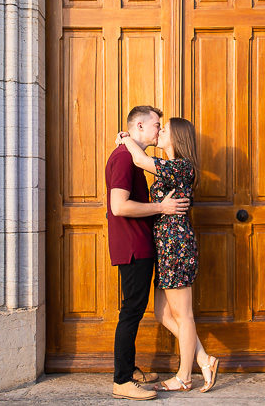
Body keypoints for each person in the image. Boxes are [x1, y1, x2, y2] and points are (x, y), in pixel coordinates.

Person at [116, 117, 219, 394]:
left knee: (184, 316)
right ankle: (203, 358)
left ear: (178, 138)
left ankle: (184, 377)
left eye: (165, 129)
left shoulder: (181, 166)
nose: (160, 131)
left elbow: (140, 160)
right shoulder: (168, 168)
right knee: (162, 313)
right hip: (164, 247)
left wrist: (125, 138)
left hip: (176, 247)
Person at [106, 105, 191, 402]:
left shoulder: (134, 158)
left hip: (141, 245)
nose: (159, 130)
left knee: (137, 309)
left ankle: (129, 370)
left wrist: (125, 138)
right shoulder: (123, 158)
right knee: (131, 311)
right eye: (157, 125)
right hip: (133, 247)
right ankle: (122, 380)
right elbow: (119, 206)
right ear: (140, 126)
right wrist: (161, 207)